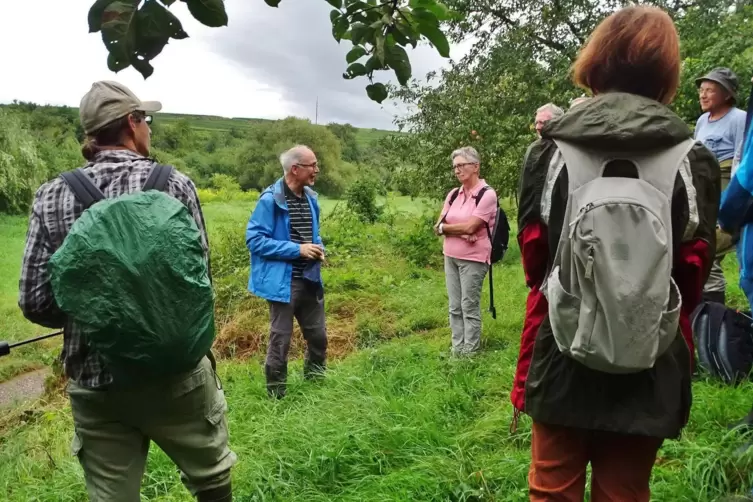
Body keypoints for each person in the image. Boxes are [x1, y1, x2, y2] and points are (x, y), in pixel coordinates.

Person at [513, 7, 719, 501]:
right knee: (625, 491)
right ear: (666, 71)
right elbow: (694, 271)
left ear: (595, 62)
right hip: (651, 349)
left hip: (563, 343)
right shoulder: (693, 157)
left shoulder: (549, 151)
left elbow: (535, 257)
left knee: (552, 487)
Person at [18, 81, 236, 502]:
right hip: (178, 374)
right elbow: (199, 281)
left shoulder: (52, 195)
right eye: (146, 120)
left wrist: (96, 314)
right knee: (211, 479)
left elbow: (35, 300)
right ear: (132, 124)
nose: (149, 129)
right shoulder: (174, 185)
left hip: (98, 381)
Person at [245, 145, 327, 399]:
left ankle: (315, 386)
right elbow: (255, 240)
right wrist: (297, 250)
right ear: (295, 169)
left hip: (310, 279)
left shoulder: (311, 197)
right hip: (283, 283)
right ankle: (276, 396)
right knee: (281, 341)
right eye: (312, 165)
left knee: (318, 337)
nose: (317, 170)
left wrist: (318, 246)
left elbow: (312, 235)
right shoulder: (270, 200)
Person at [434, 146, 497, 357]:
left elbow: (471, 227)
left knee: (468, 306)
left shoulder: (487, 194)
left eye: (461, 165)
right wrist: (460, 231)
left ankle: (470, 352)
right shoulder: (453, 194)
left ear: (476, 166)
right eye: (454, 167)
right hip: (450, 256)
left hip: (474, 258)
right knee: (454, 306)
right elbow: (439, 226)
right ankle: (456, 349)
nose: (457, 170)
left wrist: (453, 229)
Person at [695, 67, 748, 305]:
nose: (703, 95)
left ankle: (714, 310)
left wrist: (732, 203)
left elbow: (742, 158)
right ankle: (708, 312)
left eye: (710, 90)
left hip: (728, 189)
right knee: (705, 246)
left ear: (727, 94)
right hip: (704, 189)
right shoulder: (701, 121)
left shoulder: (739, 118)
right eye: (702, 90)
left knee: (715, 247)